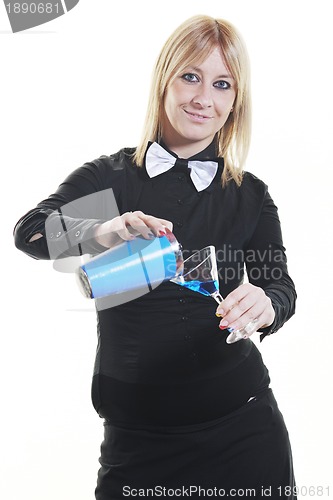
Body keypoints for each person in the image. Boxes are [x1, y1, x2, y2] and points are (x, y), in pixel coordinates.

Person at [14, 14, 297, 500]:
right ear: (164, 79)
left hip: (245, 434)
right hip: (138, 444)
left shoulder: (249, 194)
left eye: (222, 84)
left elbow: (281, 286)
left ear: (236, 102)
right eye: (190, 76)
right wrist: (102, 230)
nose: (203, 98)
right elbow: (30, 232)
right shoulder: (112, 177)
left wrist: (266, 305)